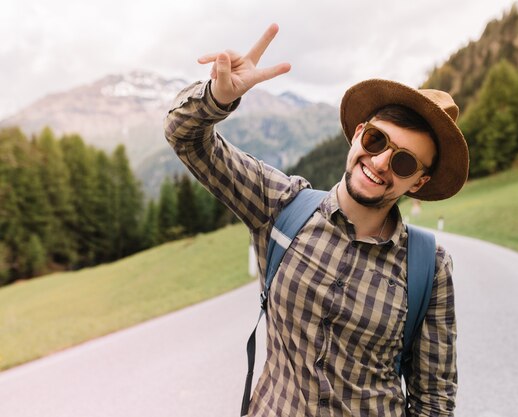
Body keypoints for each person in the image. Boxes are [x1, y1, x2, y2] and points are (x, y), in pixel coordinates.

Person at [164, 23, 468, 417]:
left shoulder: (430, 267)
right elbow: (185, 137)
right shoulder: (279, 204)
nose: (379, 163)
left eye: (404, 161)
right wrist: (217, 99)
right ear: (359, 133)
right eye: (377, 140)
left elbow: (434, 401)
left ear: (419, 181)